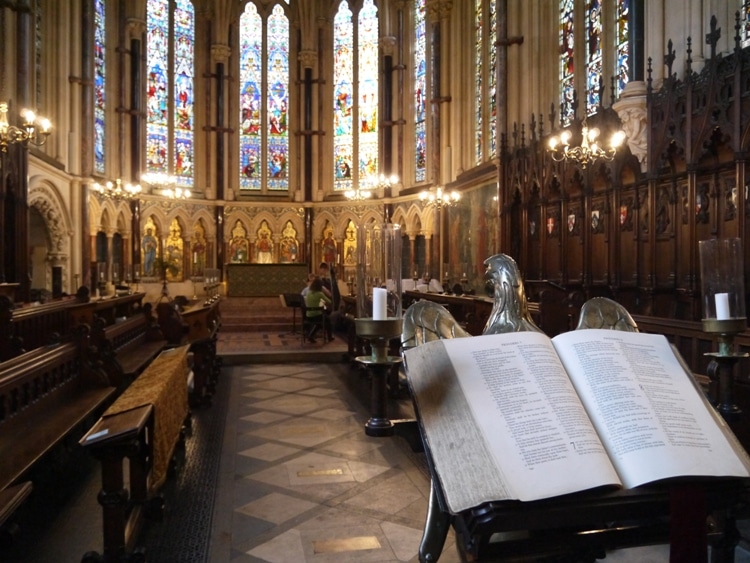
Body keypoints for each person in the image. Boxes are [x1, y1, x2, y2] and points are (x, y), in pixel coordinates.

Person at [304, 277, 331, 343]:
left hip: (308, 316)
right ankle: (329, 337)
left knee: (320, 323)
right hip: (316, 315)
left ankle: (311, 335)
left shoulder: (309, 293)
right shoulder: (319, 293)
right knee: (328, 320)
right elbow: (329, 301)